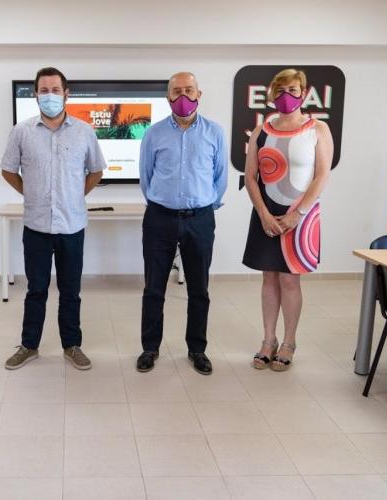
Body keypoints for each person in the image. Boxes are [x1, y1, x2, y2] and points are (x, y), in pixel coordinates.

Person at [0, 67, 106, 371]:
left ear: (66, 94)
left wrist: (74, 195)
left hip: (72, 226)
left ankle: (72, 345)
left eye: (55, 90)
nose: (50, 96)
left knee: (71, 291)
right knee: (36, 289)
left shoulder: (84, 131)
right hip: (36, 226)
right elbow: (8, 170)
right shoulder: (22, 132)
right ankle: (29, 345)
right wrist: (31, 193)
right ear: (35, 95)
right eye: (44, 90)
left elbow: (96, 171)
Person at [137, 72, 228, 375]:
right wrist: (162, 204)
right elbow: (146, 176)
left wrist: (205, 206)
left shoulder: (215, 133)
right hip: (159, 218)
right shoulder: (154, 134)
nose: (183, 97)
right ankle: (150, 348)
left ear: (199, 95)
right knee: (154, 288)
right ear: (168, 98)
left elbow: (220, 177)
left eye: (189, 90)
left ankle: (197, 349)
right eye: (177, 91)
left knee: (199, 289)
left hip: (200, 219)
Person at [242, 68, 333, 371]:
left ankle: (289, 342)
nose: (286, 96)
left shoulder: (317, 129)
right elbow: (251, 177)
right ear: (271, 94)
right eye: (280, 90)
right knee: (269, 277)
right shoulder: (262, 130)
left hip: (300, 215)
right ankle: (268, 340)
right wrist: (263, 213)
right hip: (266, 212)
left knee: (290, 279)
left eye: (293, 90)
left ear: (304, 93)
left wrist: (298, 214)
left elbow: (321, 175)